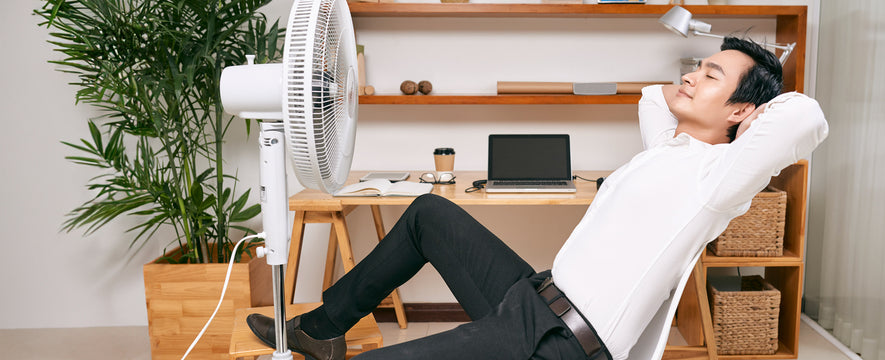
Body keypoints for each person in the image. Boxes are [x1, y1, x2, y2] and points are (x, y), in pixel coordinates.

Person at [246, 37, 829, 360]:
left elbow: (805, 116)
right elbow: (652, 96)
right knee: (429, 213)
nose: (691, 76)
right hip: (532, 296)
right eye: (696, 66)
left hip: (557, 345)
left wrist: (758, 94)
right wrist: (714, 78)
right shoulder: (668, 148)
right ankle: (322, 329)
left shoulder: (721, 177)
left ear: (741, 112)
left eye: (712, 75)